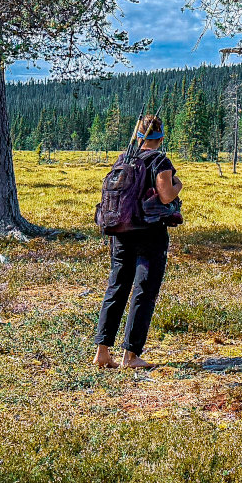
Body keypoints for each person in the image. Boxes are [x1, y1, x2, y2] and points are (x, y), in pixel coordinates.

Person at [93, 114, 181, 369]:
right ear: (161, 138)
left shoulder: (123, 159)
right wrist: (178, 185)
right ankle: (130, 356)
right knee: (144, 291)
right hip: (149, 233)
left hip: (120, 231)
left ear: (138, 136)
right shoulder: (159, 160)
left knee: (116, 287)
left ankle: (102, 353)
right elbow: (166, 196)